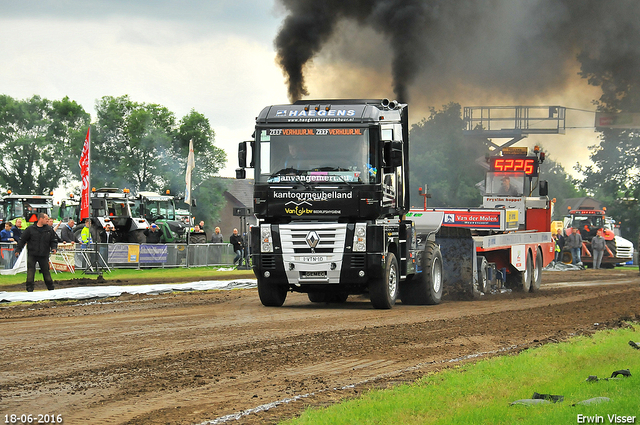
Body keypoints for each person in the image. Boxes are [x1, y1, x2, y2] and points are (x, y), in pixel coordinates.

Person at [14, 213, 58, 292]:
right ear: (40, 219)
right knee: (30, 272)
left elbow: (54, 240)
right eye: (46, 219)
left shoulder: (49, 229)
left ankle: (51, 289)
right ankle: (29, 289)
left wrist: (54, 248)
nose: (47, 221)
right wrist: (18, 250)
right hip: (32, 254)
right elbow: (22, 240)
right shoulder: (30, 229)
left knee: (46, 272)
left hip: (44, 255)